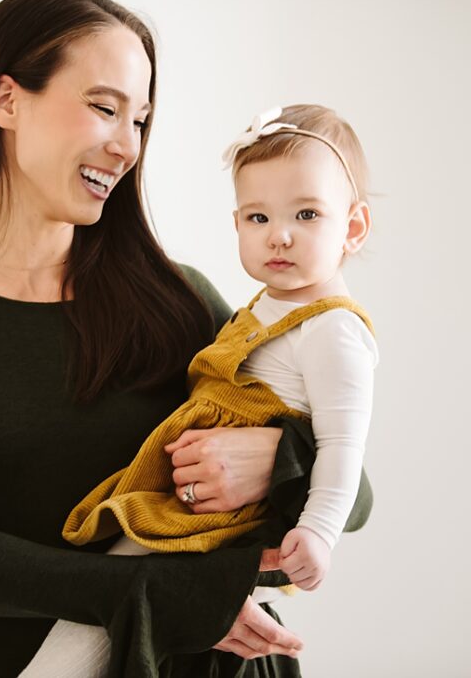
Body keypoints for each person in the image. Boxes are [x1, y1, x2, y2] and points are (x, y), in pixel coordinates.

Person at [0, 0, 373, 676]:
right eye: (103, 106)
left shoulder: (176, 300)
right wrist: (171, 596)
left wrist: (274, 460)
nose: (128, 144)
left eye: (141, 118)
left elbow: (356, 494)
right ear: (5, 99)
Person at [19, 104, 378, 677]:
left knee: (99, 614)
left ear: (352, 228)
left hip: (220, 518)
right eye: (258, 218)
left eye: (307, 214)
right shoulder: (257, 311)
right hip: (193, 500)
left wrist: (315, 529)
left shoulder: (333, 330)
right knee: (114, 594)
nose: (279, 235)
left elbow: (343, 452)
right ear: (236, 224)